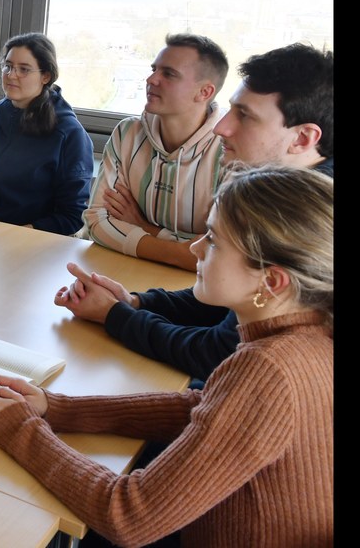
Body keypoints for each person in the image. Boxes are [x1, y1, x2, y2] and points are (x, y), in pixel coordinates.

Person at [0, 165, 333, 547]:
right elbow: (202, 405)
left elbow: (129, 516)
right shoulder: (308, 334)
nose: (195, 247)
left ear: (271, 281)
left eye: (213, 241)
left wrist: (20, 430)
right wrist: (59, 408)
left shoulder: (268, 369)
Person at [56, 43, 333, 382]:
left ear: (303, 138)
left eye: (245, 116)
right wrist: (136, 302)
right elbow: (223, 305)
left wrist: (116, 315)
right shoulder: (286, 190)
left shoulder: (303, 218)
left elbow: (216, 353)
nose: (221, 128)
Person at [82, 34, 229, 272]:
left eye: (168, 74)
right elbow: (97, 221)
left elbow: (222, 251)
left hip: (194, 292)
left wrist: (147, 229)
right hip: (121, 271)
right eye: (154, 69)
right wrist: (180, 253)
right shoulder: (128, 132)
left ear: (205, 92)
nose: (151, 79)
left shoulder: (229, 148)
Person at [0, 32, 92, 236]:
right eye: (7, 66)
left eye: (23, 69)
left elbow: (72, 214)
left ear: (46, 76)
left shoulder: (70, 134)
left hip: (32, 242)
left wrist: (13, 235)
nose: (11, 74)